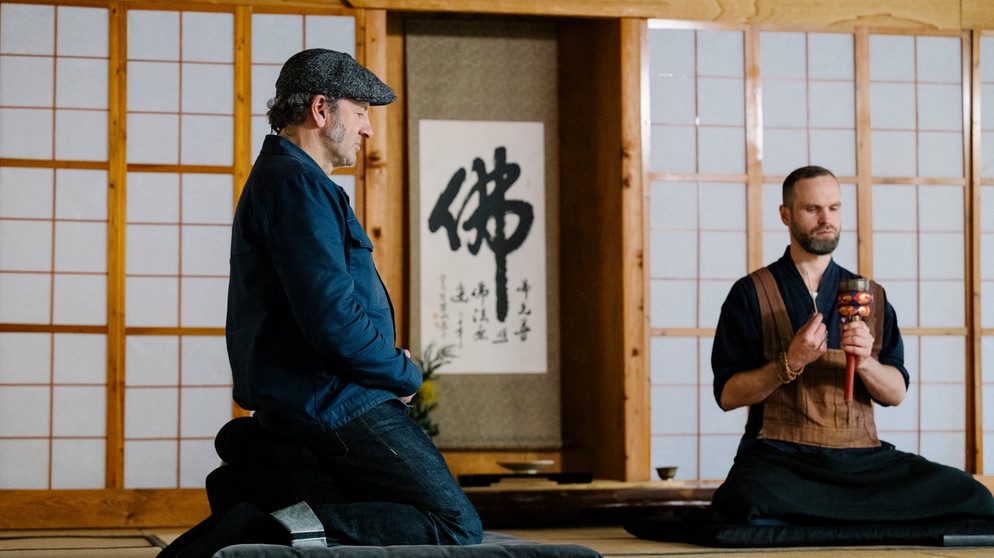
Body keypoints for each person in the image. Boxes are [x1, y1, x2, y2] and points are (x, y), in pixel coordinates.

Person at [158, 48, 482, 557]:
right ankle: (258, 528)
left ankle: (270, 505)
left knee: (360, 515)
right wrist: (401, 374)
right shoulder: (295, 184)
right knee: (454, 525)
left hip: (323, 394)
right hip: (337, 400)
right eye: (360, 112)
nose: (368, 129)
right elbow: (332, 319)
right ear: (321, 110)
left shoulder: (293, 181)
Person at [708, 165, 994, 526]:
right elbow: (728, 395)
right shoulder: (751, 293)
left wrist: (866, 362)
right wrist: (789, 361)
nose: (826, 219)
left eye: (834, 208)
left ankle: (821, 517)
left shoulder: (870, 295)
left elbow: (896, 393)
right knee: (747, 498)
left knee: (970, 494)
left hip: (860, 462)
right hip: (782, 460)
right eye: (813, 209)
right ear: (786, 215)